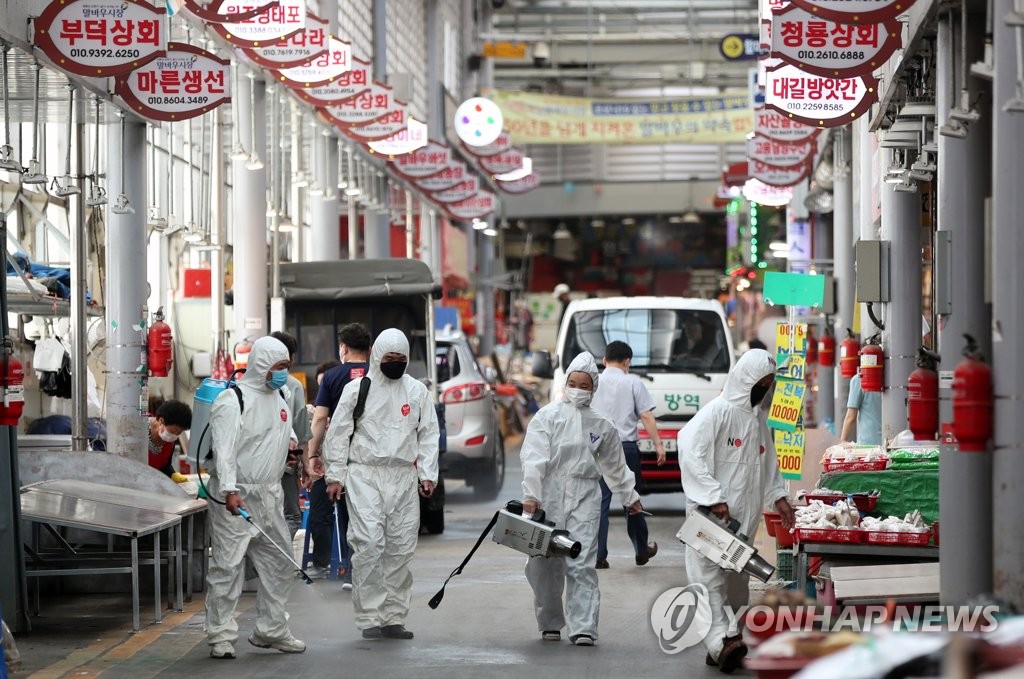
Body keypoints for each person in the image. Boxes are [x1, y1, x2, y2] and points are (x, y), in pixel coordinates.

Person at [678, 348, 795, 673]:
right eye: (763, 382)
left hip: (742, 526)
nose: (766, 388)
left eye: (770, 383)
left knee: (736, 588)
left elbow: (768, 466)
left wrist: (779, 498)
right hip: (710, 520)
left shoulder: (758, 422)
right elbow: (689, 449)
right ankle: (723, 642)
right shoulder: (716, 413)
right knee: (708, 582)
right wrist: (713, 496)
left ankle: (723, 642)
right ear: (746, 379)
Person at [520, 352, 643, 647]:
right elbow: (534, 458)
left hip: (585, 495)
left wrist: (630, 497)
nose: (577, 388)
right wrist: (531, 495)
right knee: (544, 562)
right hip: (548, 496)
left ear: (593, 388)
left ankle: (583, 626)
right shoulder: (547, 417)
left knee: (582, 561)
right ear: (565, 382)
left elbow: (615, 465)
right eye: (573, 382)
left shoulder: (601, 424)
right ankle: (550, 622)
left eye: (584, 384)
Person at [323, 328, 439, 641]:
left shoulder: (415, 391)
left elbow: (428, 434)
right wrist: (335, 476)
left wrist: (427, 474)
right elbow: (338, 434)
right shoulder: (357, 390)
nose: (395, 363)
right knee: (369, 544)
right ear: (377, 356)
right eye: (390, 358)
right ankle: (368, 616)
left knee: (400, 549)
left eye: (401, 359)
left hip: (402, 476)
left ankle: (393, 618)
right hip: (365, 475)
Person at [205, 336, 305, 660]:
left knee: (280, 563)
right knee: (228, 566)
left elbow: (283, 435)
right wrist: (230, 491)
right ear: (262, 364)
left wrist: (290, 454)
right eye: (278, 367)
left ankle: (271, 629)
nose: (282, 373)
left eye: (286, 367)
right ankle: (220, 635)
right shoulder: (231, 400)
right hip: (238, 497)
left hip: (269, 495)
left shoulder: (281, 396)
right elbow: (225, 449)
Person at [304, 323, 372, 585]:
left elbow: (320, 419)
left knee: (347, 513)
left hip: (344, 457)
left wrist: (312, 455)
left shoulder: (331, 377)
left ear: (343, 348)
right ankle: (373, 571)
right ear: (369, 349)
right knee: (374, 515)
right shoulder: (380, 375)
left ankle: (353, 571)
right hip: (377, 458)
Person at [590, 341, 663, 569]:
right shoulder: (633, 382)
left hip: (597, 448)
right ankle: (641, 550)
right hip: (626, 448)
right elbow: (647, 417)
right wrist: (658, 445)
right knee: (631, 499)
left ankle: (598, 555)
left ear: (604, 361)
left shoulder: (594, 382)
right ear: (627, 362)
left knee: (599, 501)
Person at [269, 331, 311, 540]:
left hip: (258, 466)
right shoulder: (293, 386)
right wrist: (307, 465)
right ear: (291, 357)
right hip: (287, 463)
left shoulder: (244, 386)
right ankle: (281, 564)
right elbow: (301, 429)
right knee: (291, 515)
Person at [147, 399, 192, 477]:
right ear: (161, 421)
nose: (175, 435)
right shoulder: (139, 426)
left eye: (179, 433)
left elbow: (165, 467)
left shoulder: (169, 442)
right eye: (174, 430)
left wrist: (172, 475)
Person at [841, 373, 882, 445]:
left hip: (868, 445)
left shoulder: (859, 379)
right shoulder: (890, 376)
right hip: (891, 442)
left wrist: (842, 441)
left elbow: (851, 417)